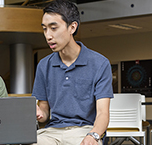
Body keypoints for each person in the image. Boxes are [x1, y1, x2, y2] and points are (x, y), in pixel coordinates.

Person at [33, 0, 113, 144]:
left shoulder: (100, 64)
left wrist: (93, 135)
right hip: (51, 132)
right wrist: (39, 113)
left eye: (53, 28)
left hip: (85, 130)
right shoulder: (43, 65)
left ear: (72, 27)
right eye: (45, 29)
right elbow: (44, 112)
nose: (48, 35)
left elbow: (102, 113)